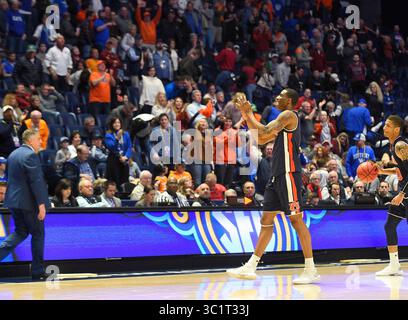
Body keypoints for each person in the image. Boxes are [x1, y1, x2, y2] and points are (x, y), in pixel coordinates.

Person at [227, 90, 320, 284]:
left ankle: (311, 269)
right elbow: (261, 138)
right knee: (266, 218)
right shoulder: (282, 121)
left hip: (288, 174)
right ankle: (251, 266)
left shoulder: (288, 115)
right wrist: (246, 115)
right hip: (276, 176)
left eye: (281, 96)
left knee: (296, 219)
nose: (276, 98)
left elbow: (266, 132)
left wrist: (249, 115)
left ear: (291, 101)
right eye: (276, 96)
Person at [0, 129, 50, 281]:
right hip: (29, 204)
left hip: (14, 202)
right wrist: (41, 205)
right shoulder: (30, 155)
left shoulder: (13, 155)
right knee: (38, 234)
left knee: (21, 232)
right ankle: (38, 271)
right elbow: (36, 182)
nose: (40, 142)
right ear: (30, 140)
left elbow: (8, 178)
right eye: (37, 139)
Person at [375, 116, 408, 276]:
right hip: (404, 194)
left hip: (405, 194)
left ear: (396, 129)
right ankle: (394, 265)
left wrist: (402, 193)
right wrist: (382, 171)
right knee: (389, 226)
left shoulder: (401, 145)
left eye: (387, 125)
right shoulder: (394, 145)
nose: (384, 128)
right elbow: (402, 171)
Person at [104, 117, 132, 187]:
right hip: (114, 160)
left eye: (118, 122)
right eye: (115, 123)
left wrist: (126, 156)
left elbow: (129, 147)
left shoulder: (126, 134)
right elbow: (111, 147)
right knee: (115, 182)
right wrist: (117, 139)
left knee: (125, 181)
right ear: (112, 124)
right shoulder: (108, 135)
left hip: (124, 160)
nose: (117, 124)